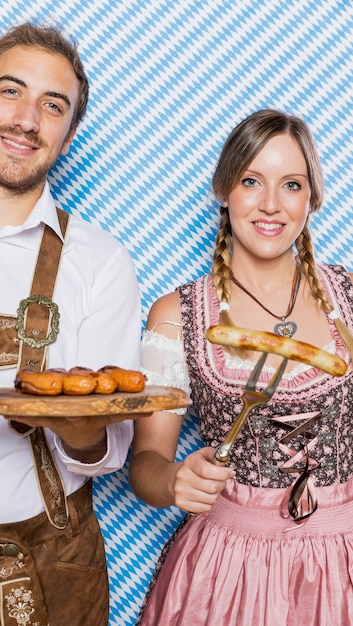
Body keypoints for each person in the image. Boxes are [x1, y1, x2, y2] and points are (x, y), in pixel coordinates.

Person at [0, 22, 145, 625]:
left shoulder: (99, 261)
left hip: (53, 562)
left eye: (52, 106)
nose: (27, 119)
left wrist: (78, 425)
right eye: (11, 92)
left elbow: (105, 452)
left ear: (68, 133)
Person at [129, 109, 353, 625]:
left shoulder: (349, 300)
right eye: (251, 181)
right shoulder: (174, 316)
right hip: (229, 569)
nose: (270, 204)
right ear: (224, 189)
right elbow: (146, 462)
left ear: (311, 198)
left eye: (291, 184)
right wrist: (174, 481)